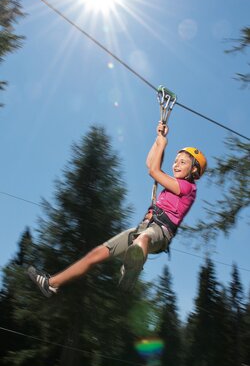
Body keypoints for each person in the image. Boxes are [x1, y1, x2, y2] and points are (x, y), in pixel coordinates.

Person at [28, 121, 207, 296]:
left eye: (182, 162)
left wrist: (163, 144)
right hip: (143, 227)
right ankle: (51, 284)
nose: (176, 164)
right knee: (96, 254)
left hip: (160, 232)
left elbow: (153, 171)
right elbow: (149, 164)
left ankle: (131, 271)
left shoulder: (188, 188)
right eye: (175, 161)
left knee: (143, 240)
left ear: (194, 171)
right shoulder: (174, 183)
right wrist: (158, 139)